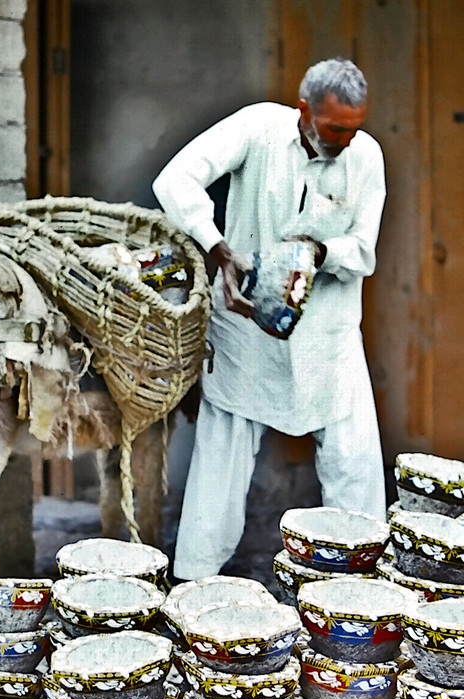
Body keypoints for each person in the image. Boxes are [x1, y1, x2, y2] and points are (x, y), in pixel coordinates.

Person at [152, 57, 387, 581]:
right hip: (245, 328)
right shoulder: (258, 127)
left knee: (355, 465)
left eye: (354, 128)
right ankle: (193, 584)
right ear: (304, 110)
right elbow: (175, 180)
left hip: (328, 335)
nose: (346, 140)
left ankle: (358, 588)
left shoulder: (366, 155)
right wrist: (218, 250)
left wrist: (321, 253)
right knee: (221, 459)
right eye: (334, 128)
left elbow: (364, 249)